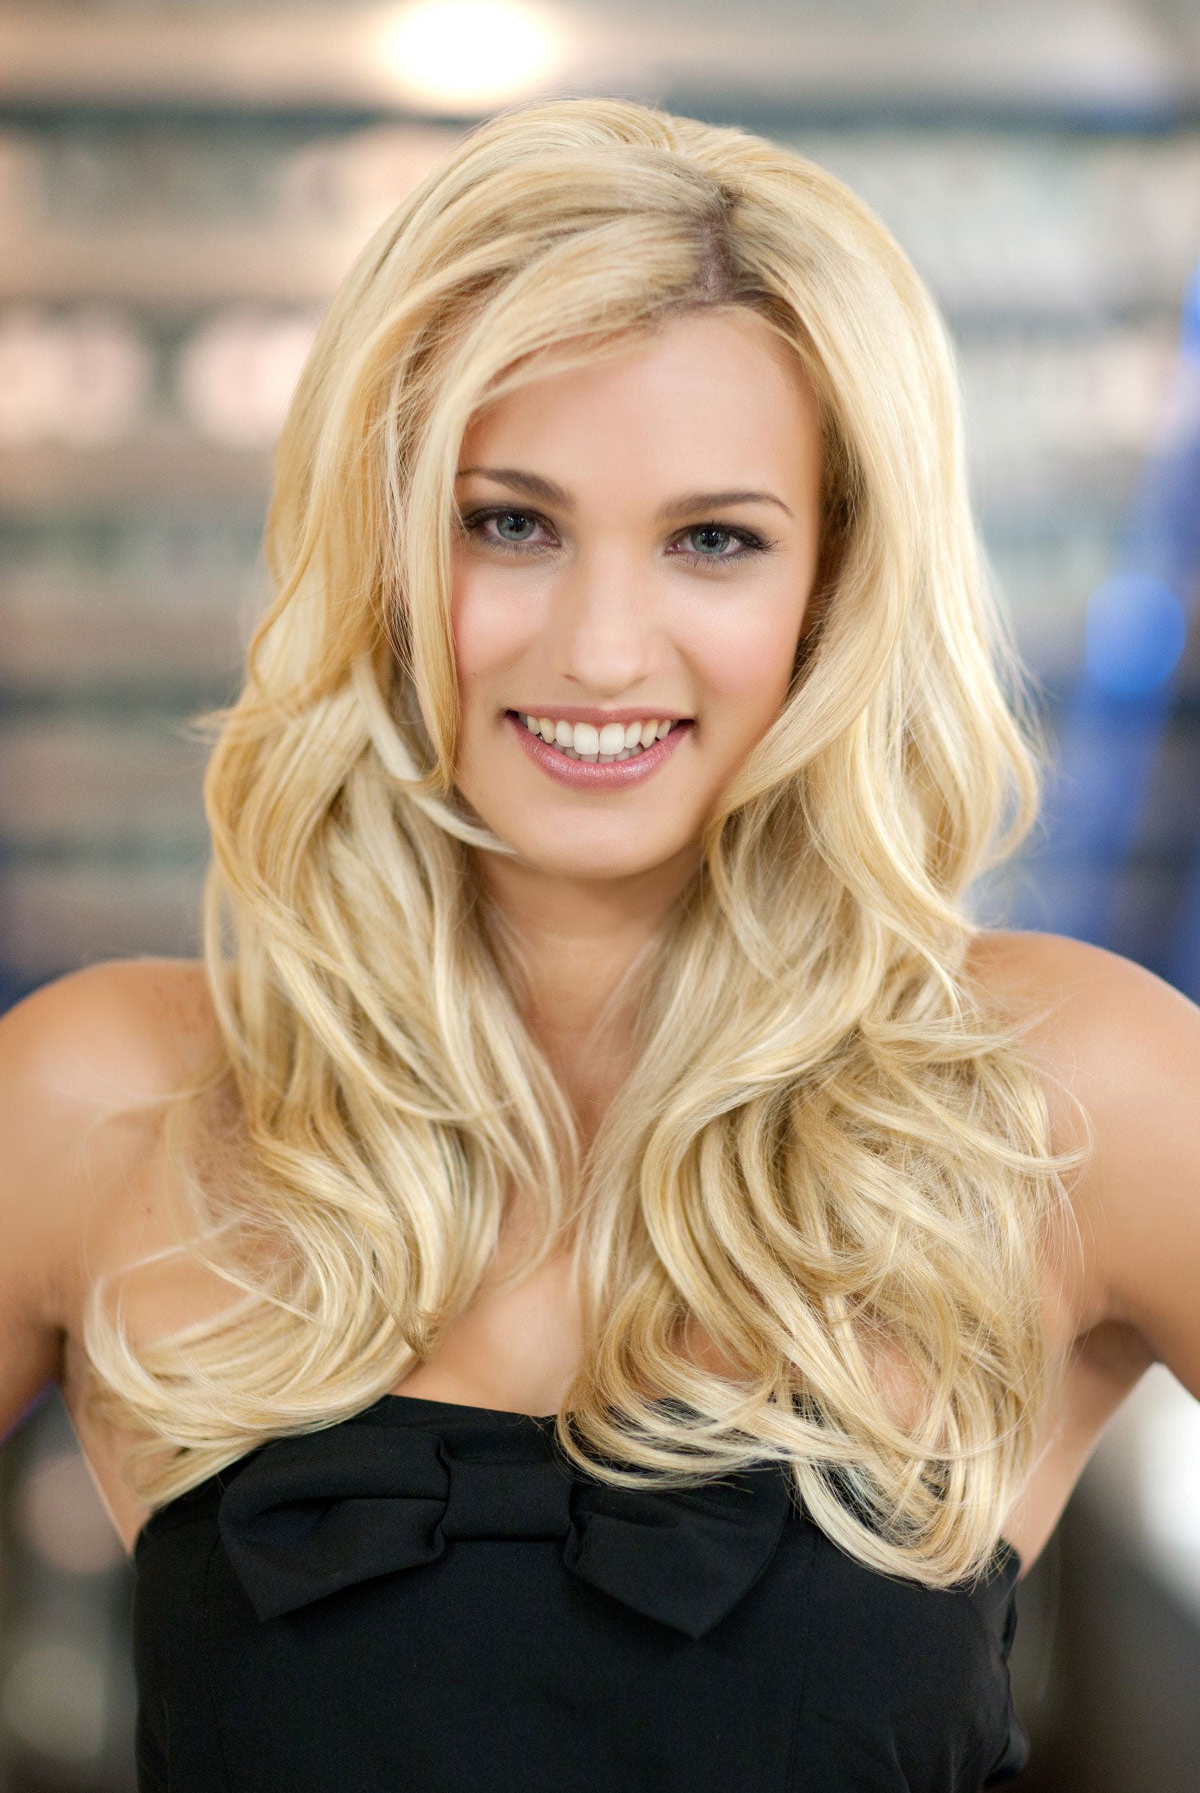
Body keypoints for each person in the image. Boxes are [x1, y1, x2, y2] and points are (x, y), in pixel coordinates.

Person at [2, 93, 1197, 1792]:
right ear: (391, 553)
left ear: (830, 591)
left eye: (715, 540)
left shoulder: (1063, 1099)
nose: (605, 646)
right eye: (512, 522)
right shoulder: (98, 1107)